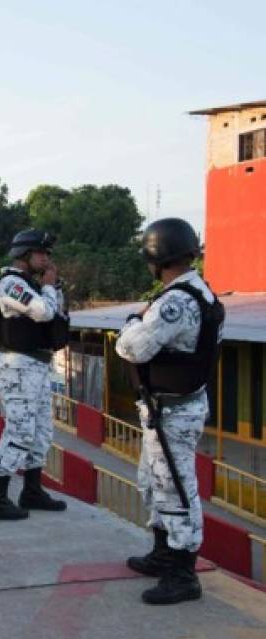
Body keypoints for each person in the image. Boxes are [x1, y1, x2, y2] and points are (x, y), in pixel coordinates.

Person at [116, 218, 223, 606]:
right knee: (155, 481)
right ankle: (164, 552)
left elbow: (132, 348)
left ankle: (182, 573)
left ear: (155, 259)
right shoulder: (201, 294)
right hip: (174, 407)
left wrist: (131, 323)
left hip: (172, 412)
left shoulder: (175, 302)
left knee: (176, 488)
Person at [0, 229, 69, 520]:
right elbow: (45, 312)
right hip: (19, 366)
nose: (47, 259)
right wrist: (48, 287)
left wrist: (52, 288)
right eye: (41, 254)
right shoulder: (10, 283)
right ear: (25, 255)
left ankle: (32, 490)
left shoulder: (33, 284)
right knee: (18, 431)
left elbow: (58, 315)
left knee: (41, 430)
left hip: (39, 365)